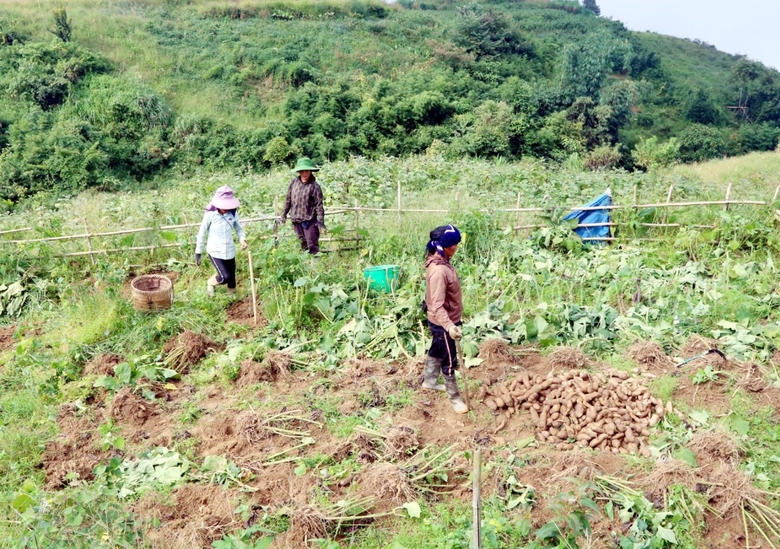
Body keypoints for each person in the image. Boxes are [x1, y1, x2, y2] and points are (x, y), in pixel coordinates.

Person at [423, 224, 468, 414]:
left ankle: (429, 381)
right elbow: (437, 305)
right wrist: (450, 326)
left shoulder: (441, 260)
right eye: (453, 245)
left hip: (442, 320)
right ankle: (455, 398)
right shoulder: (439, 271)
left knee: (437, 348)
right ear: (444, 246)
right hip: (443, 322)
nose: (456, 248)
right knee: (449, 360)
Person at [195, 186, 247, 296]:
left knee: (232, 278)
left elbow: (238, 229)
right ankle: (211, 283)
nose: (225, 208)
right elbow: (202, 232)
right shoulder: (210, 215)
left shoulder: (233, 214)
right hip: (215, 251)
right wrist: (198, 252)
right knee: (225, 277)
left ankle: (232, 297)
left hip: (229, 249)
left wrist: (243, 240)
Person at [280, 157, 326, 254]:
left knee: (312, 245)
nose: (304, 174)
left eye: (307, 171)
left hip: (310, 221)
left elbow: (319, 206)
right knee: (302, 245)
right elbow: (288, 199)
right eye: (302, 171)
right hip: (296, 219)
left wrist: (321, 223)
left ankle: (315, 266)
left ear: (310, 171)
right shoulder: (293, 183)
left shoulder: (315, 187)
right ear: (299, 172)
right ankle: (306, 266)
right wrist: (283, 214)